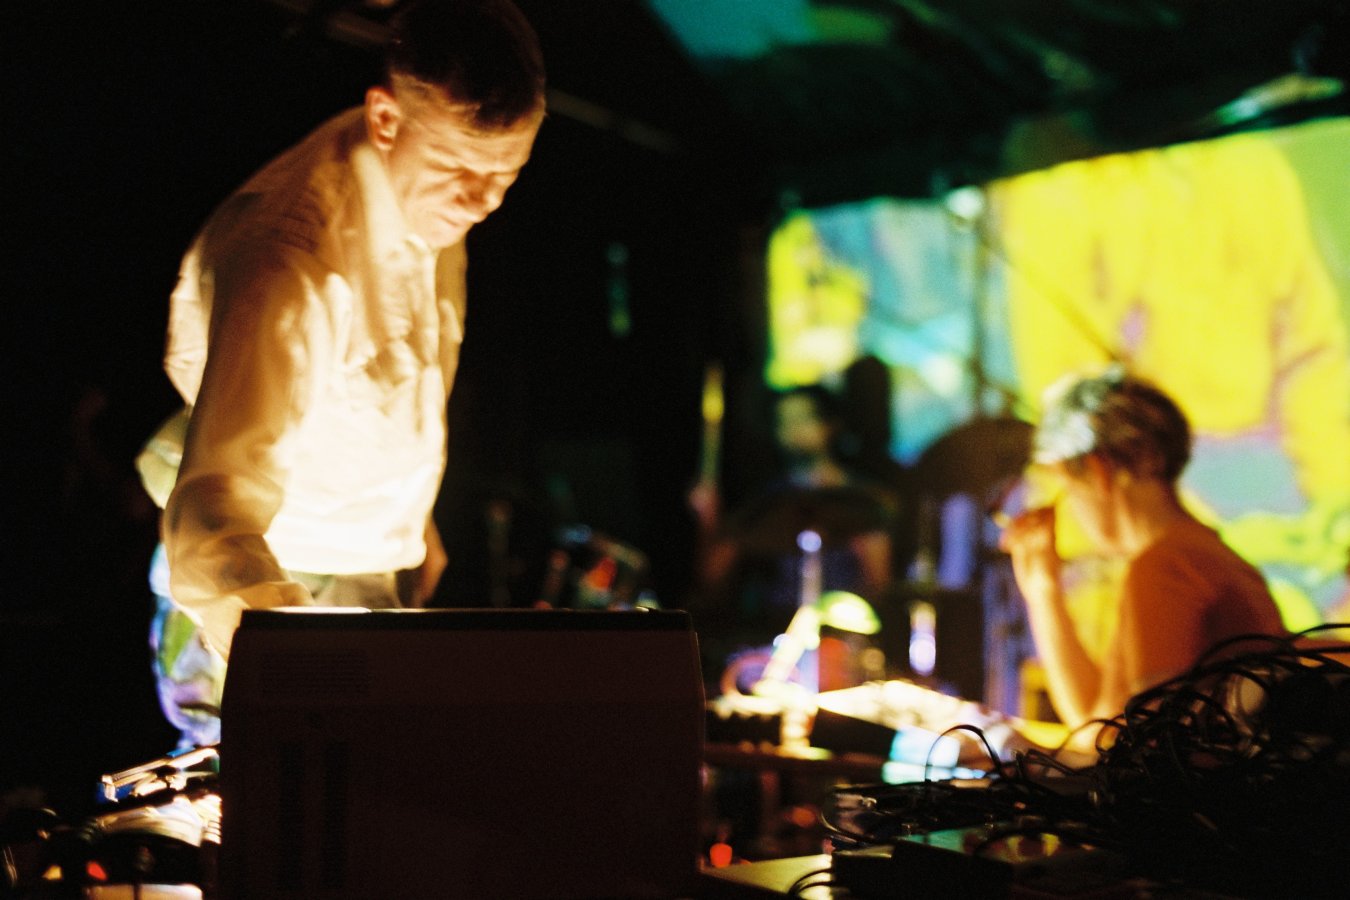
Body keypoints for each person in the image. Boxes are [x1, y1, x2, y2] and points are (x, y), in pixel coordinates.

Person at [135, 0, 546, 748]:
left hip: (368, 573)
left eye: (507, 173)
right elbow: (212, 507)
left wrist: (409, 526)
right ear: (385, 118)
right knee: (258, 800)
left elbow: (382, 385)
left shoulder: (425, 183)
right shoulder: (288, 255)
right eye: (458, 169)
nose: (482, 200)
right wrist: (285, 655)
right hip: (265, 587)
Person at [997, 367, 1286, 742]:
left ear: (1099, 471)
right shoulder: (1205, 556)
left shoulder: (1166, 566)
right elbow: (1095, 722)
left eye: (1069, 488)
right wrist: (1043, 590)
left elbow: (1139, 748)